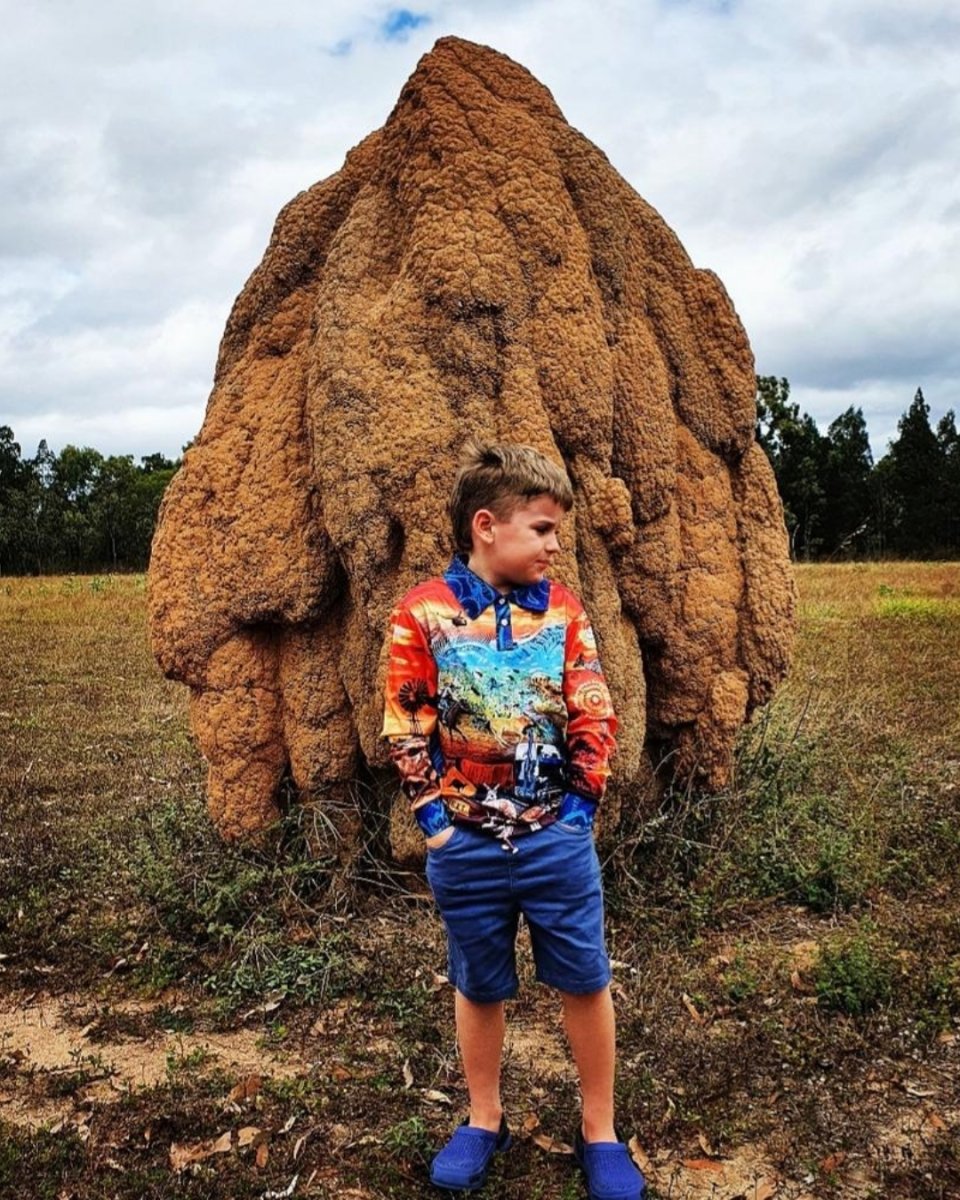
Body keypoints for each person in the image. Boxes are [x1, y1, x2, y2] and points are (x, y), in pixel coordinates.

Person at [382, 441, 645, 1199]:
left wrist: (580, 810)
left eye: (557, 530)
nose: (555, 546)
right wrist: (436, 823)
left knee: (585, 979)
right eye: (542, 529)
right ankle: (483, 1118)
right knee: (478, 984)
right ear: (486, 525)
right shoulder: (423, 613)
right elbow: (406, 721)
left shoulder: (563, 611)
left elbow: (593, 708)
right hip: (464, 843)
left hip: (554, 838)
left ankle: (600, 1130)